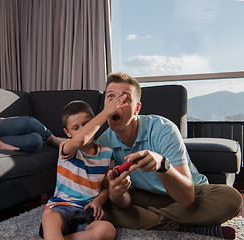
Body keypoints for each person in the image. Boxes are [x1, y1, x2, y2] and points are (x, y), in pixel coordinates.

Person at [97, 72, 243, 239]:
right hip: (147, 197)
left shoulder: (163, 129)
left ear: (137, 108)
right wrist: (117, 193)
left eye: (124, 99)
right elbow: (124, 201)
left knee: (231, 198)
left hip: (190, 194)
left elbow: (186, 198)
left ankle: (160, 222)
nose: (115, 105)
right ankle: (192, 227)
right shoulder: (103, 143)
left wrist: (162, 165)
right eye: (110, 97)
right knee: (106, 207)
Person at [34, 99, 126, 240]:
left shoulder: (107, 153)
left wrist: (98, 201)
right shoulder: (66, 147)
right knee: (49, 215)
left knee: (107, 230)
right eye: (76, 128)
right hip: (61, 209)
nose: (83, 130)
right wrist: (106, 112)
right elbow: (80, 140)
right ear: (68, 132)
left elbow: (107, 187)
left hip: (86, 213)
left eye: (86, 124)